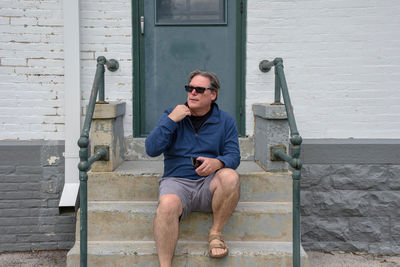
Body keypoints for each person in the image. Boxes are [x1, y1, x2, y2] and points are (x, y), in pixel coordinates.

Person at [145, 70, 240, 267]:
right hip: (177, 182)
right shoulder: (172, 115)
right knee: (167, 204)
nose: (192, 93)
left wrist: (218, 163)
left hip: (209, 184)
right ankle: (165, 265)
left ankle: (215, 233)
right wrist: (171, 120)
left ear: (212, 95)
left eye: (199, 89)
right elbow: (151, 149)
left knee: (230, 176)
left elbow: (234, 156)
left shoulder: (226, 120)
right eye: (190, 88)